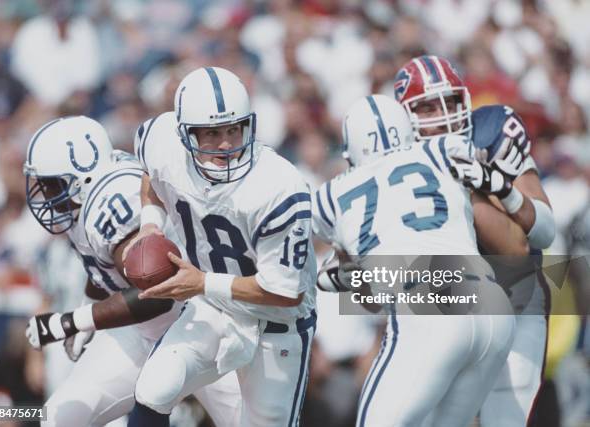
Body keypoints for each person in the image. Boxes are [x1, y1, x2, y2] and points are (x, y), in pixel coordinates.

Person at [312, 94, 525, 426]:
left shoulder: (331, 195)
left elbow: (368, 297)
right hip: (492, 305)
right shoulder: (440, 150)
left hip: (427, 306)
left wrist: (341, 278)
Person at [125, 67, 317, 427]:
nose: (227, 143)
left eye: (234, 129)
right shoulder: (163, 141)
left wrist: (201, 283)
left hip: (276, 324)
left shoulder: (278, 185)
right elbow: (150, 173)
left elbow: (285, 293)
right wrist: (149, 225)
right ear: (186, 134)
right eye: (212, 133)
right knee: (154, 389)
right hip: (213, 307)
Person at [22, 116, 241, 426]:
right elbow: (105, 266)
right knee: (59, 419)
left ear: (81, 175)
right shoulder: (87, 201)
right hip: (144, 328)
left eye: (51, 184)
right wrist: (88, 312)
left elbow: (159, 292)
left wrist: (71, 321)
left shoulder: (111, 202)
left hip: (203, 325)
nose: (44, 194)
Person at [394, 54, 556, 427]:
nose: (442, 114)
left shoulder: (491, 129)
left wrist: (491, 188)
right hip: (442, 301)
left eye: (449, 101)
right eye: (427, 106)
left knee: (505, 420)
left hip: (513, 293)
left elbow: (532, 239)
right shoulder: (394, 160)